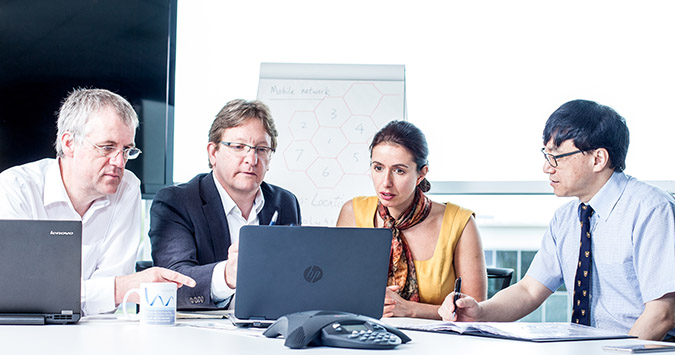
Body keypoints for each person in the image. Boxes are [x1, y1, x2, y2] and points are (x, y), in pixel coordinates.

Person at [438, 99, 675, 341]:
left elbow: (661, 315)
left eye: (556, 156)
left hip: (650, 349)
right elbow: (529, 291)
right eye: (546, 155)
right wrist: (479, 312)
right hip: (588, 347)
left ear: (598, 159)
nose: (547, 168)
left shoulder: (652, 209)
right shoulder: (566, 218)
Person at [0, 88, 195, 316]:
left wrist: (113, 290)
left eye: (126, 150)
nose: (120, 162)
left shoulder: (127, 187)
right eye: (107, 147)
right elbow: (22, 294)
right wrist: (119, 288)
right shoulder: (15, 188)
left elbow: (108, 300)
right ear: (69, 143)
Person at [149, 99, 301, 309]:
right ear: (213, 152)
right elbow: (172, 281)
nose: (252, 159)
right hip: (201, 334)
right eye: (239, 147)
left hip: (268, 329)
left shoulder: (284, 202)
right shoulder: (177, 202)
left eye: (262, 149)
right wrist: (227, 276)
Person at [337, 120, 487, 319]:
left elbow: (475, 312)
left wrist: (410, 309)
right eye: (378, 168)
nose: (386, 182)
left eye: (399, 170)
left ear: (421, 174)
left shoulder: (460, 223)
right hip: (363, 338)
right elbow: (335, 294)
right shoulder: (352, 213)